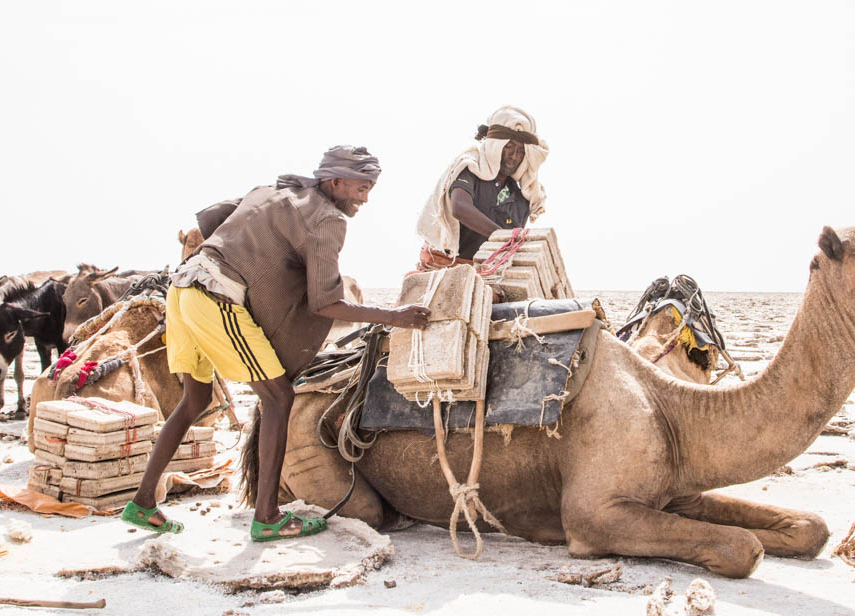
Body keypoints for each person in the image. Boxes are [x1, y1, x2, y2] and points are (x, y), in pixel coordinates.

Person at [122, 145, 430, 541]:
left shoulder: (273, 190)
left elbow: (214, 218)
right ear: (335, 182)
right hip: (216, 296)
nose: (365, 198)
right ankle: (267, 517)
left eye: (370, 189)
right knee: (279, 397)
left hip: (182, 289)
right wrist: (394, 317)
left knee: (194, 402)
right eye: (361, 188)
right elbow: (325, 303)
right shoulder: (327, 220)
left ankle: (143, 503)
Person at [416, 105, 549, 270]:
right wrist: (504, 237)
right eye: (509, 147)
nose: (514, 156)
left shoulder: (521, 197)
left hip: (484, 271)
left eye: (521, 151)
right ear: (496, 146)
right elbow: (459, 207)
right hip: (443, 263)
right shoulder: (471, 169)